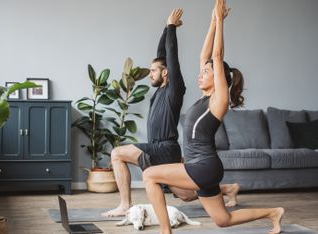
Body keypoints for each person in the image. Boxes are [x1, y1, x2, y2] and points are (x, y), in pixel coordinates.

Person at [142, 1, 285, 234]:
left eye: (206, 73)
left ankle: (165, 231)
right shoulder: (204, 97)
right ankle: (273, 213)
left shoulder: (219, 100)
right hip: (203, 167)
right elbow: (205, 55)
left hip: (203, 166)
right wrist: (211, 21)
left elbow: (216, 57)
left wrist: (220, 22)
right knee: (223, 220)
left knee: (149, 175)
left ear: (219, 78)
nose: (201, 75)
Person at [103, 8, 240, 217]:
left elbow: (171, 55)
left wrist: (171, 27)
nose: (150, 74)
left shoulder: (174, 89)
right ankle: (227, 189)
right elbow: (162, 54)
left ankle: (124, 204)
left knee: (117, 153)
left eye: (154, 71)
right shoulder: (159, 90)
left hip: (164, 148)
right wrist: (166, 29)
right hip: (162, 149)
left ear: (166, 73)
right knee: (185, 194)